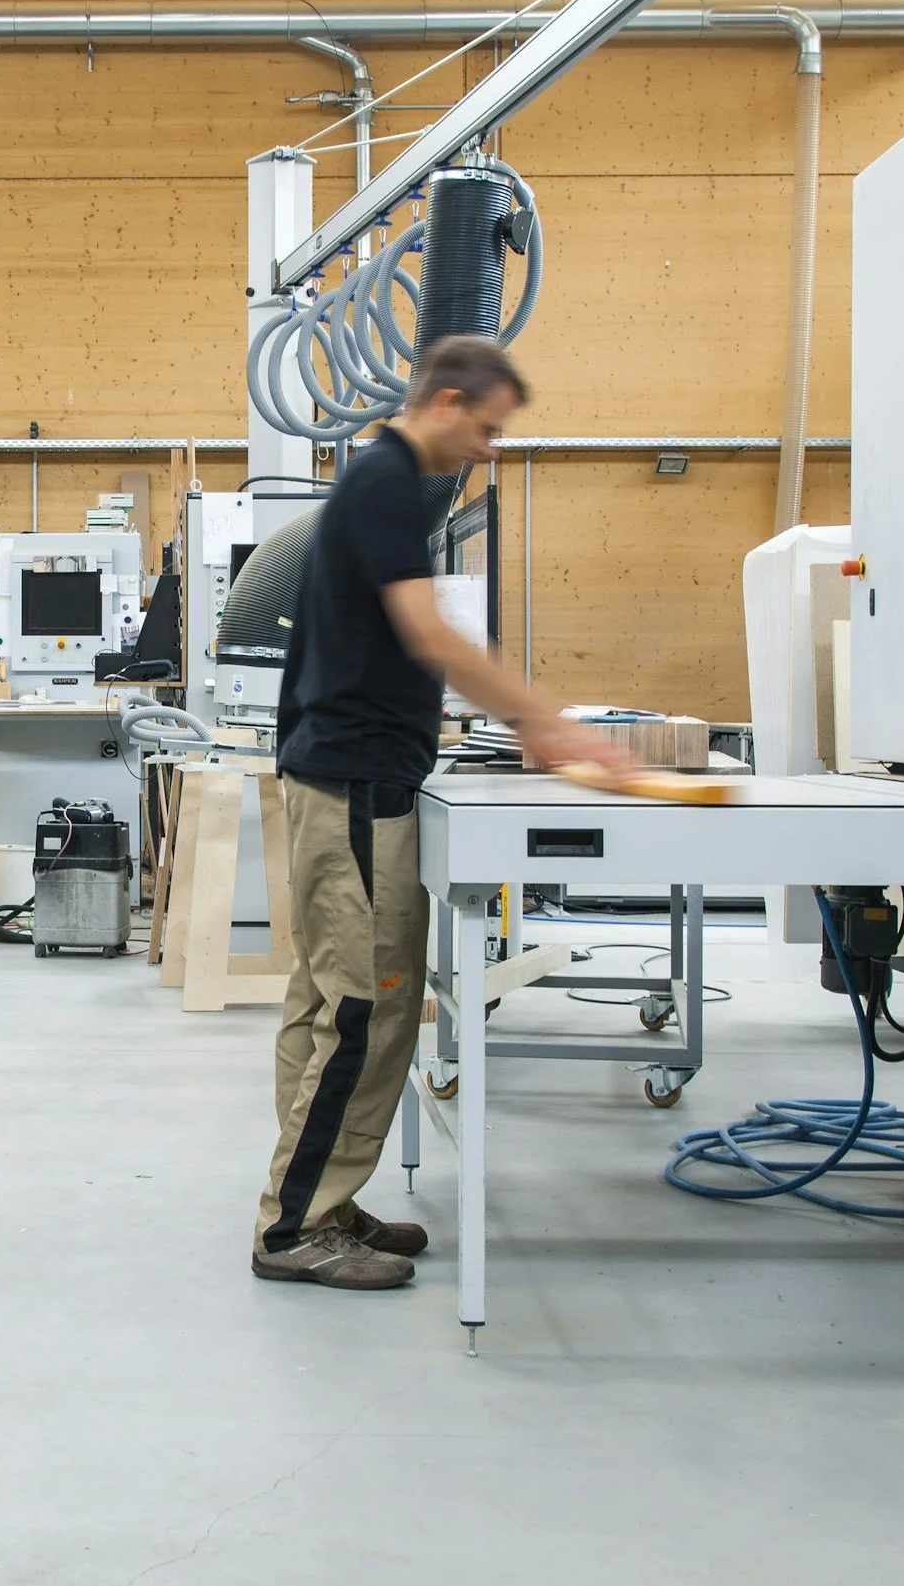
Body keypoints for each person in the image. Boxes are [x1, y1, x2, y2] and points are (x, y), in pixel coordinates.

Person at [252, 335, 635, 1289]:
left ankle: (317, 1200)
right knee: (367, 1009)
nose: (491, 450)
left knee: (326, 1006)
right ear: (450, 399)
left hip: (340, 779)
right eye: (490, 429)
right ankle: (294, 1228)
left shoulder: (378, 483)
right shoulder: (385, 483)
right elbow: (429, 633)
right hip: (356, 789)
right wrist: (548, 726)